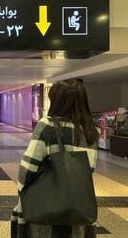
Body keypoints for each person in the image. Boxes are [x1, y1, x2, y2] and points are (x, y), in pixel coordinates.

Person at [11, 79, 100, 238]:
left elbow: (27, 168)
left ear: (57, 102)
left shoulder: (48, 125)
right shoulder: (93, 130)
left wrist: (24, 194)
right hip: (78, 207)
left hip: (46, 211)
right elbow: (88, 169)